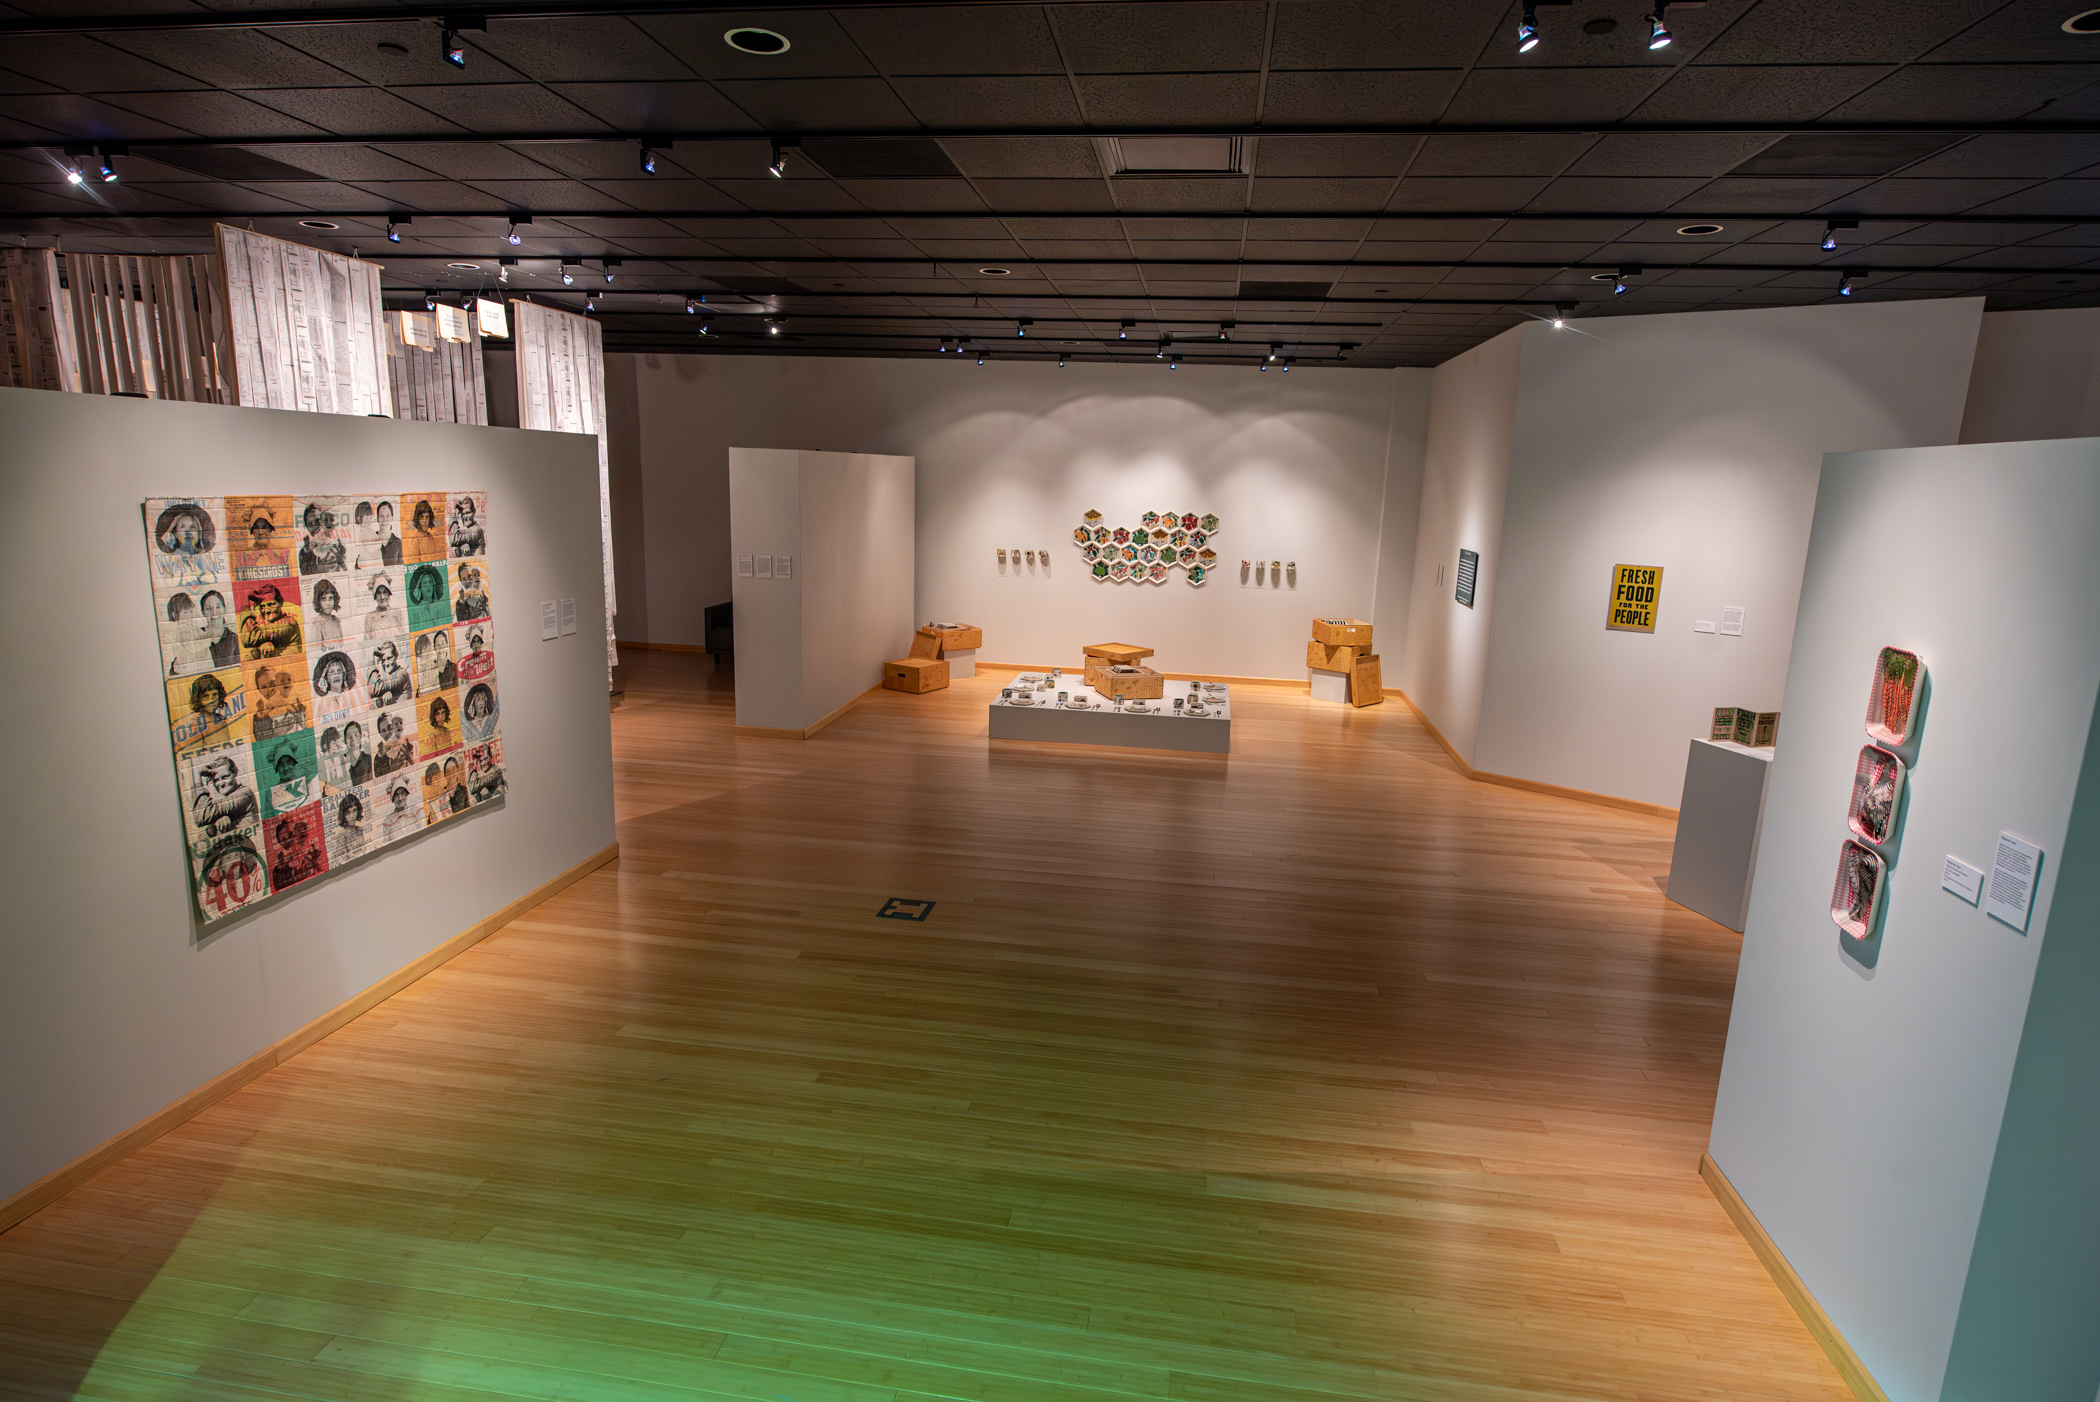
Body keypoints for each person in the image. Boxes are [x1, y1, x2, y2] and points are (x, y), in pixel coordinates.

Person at [190, 754, 257, 836]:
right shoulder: (221, 800)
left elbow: (201, 816)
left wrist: (197, 775)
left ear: (235, 772)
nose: (220, 783)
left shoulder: (245, 793)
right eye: (216, 780)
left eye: (225, 777)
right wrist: (219, 820)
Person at [198, 835, 266, 916]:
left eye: (236, 855)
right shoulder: (217, 892)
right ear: (221, 865)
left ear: (242, 858)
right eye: (228, 858)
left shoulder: (254, 880)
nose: (234, 861)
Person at [177, 672, 238, 750]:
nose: (211, 700)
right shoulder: (196, 724)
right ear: (198, 699)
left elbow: (228, 745)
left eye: (214, 694)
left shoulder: (221, 719)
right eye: (206, 696)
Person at [239, 583, 301, 661]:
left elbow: (249, 638)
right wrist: (262, 646)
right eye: (262, 606)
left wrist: (245, 598)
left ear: (281, 602)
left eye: (271, 604)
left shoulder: (289, 623)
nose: (267, 610)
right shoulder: (263, 626)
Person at [269, 815, 324, 890]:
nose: (288, 840)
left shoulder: (311, 854)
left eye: (290, 835)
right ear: (280, 843)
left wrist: (317, 865)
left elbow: (323, 876)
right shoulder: (279, 870)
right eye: (283, 839)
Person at [164, 593, 212, 677]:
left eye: (191, 611)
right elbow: (192, 647)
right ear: (174, 615)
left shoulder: (191, 627)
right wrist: (208, 640)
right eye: (186, 612)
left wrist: (207, 635)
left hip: (194, 665)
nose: (189, 615)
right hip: (187, 668)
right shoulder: (182, 628)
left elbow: (201, 634)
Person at [297, 503, 345, 574]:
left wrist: (342, 562)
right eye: (310, 524)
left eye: (317, 521)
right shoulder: (304, 553)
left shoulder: (337, 545)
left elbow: (348, 572)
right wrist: (318, 571)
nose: (315, 526)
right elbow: (305, 577)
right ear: (307, 528)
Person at [199, 591, 239, 670]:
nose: (214, 613)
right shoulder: (196, 634)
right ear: (203, 612)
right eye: (208, 608)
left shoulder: (233, 638)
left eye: (218, 607)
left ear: (224, 609)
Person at [365, 638, 409, 708]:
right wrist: (384, 693)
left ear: (396, 655)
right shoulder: (387, 678)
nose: (386, 664)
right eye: (383, 660)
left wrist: (371, 661)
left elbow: (375, 689)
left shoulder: (401, 674)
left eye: (389, 658)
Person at [266, 747, 312, 813]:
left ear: (294, 763)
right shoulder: (270, 793)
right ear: (276, 768)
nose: (286, 768)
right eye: (281, 764)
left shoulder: (306, 783)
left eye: (289, 762)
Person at [373, 708, 414, 778]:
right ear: (380, 734)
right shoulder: (378, 758)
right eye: (383, 731)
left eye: (390, 727)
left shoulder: (406, 744)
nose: (388, 732)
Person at [415, 628, 458, 695]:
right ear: (434, 647)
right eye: (438, 645)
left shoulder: (453, 667)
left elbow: (456, 690)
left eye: (443, 644)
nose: (441, 648)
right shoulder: (429, 667)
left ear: (447, 644)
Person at [332, 791, 368, 860]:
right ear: (343, 815)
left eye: (354, 811)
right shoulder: (341, 836)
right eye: (348, 813)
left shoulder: (359, 830)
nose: (352, 816)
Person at [307, 578, 344, 644]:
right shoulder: (317, 624)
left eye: (330, 598)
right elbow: (315, 648)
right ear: (318, 601)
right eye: (324, 599)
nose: (328, 603)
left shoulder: (336, 621)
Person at [408, 497, 443, 561]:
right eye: (422, 517)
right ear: (418, 519)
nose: (424, 521)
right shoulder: (415, 537)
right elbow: (413, 562)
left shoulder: (431, 537)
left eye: (427, 517)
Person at [342, 719, 373, 786]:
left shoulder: (368, 759)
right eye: (349, 737)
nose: (353, 740)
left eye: (356, 735)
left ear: (361, 736)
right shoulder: (340, 760)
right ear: (345, 740)